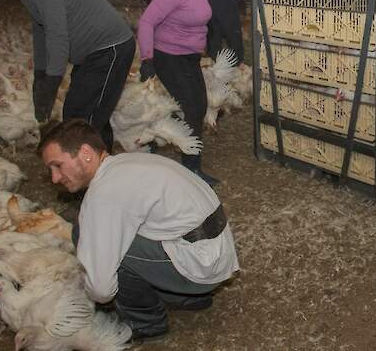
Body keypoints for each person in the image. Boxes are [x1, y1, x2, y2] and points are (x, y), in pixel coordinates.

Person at [38, 119, 239, 344]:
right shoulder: (127, 162)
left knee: (89, 236)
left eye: (58, 165)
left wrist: (95, 297)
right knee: (101, 235)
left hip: (201, 267)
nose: (55, 178)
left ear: (85, 153)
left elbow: (101, 288)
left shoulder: (104, 194)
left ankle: (147, 322)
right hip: (216, 253)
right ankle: (187, 299)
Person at [0, 0, 135, 153]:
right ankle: (101, 168)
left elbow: (58, 35)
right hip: (93, 53)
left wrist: (52, 81)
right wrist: (41, 76)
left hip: (109, 49)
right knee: (86, 114)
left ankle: (90, 173)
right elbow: (41, 30)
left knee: (81, 119)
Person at [137, 0, 220, 186]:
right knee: (193, 108)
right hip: (168, 56)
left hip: (190, 57)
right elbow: (146, 21)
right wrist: (147, 57)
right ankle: (191, 168)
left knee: (199, 105)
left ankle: (152, 138)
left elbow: (197, 17)